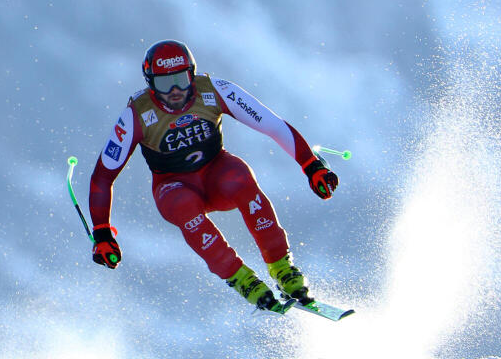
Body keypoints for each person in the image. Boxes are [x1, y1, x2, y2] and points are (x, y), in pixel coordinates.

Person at [88, 40, 338, 312]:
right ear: (150, 84)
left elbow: (272, 125)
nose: (174, 91)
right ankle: (241, 279)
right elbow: (103, 176)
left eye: (181, 80)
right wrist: (102, 232)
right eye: (164, 84)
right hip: (174, 186)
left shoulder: (215, 90)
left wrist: (311, 166)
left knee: (239, 176)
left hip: (217, 174)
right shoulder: (137, 114)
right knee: (182, 205)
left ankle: (282, 267)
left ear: (192, 74)